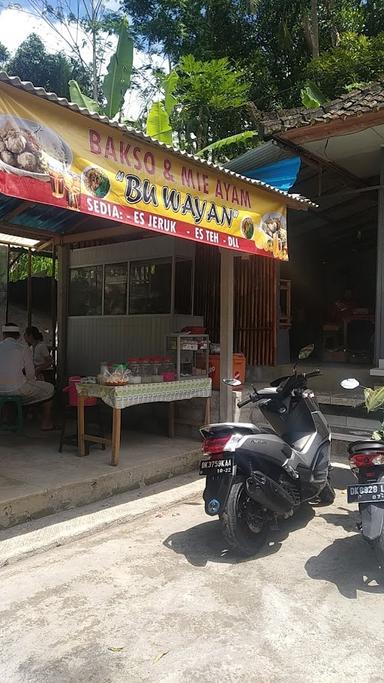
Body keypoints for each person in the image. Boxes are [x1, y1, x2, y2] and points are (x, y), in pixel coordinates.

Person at [0, 323, 54, 430]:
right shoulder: (23, 348)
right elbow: (30, 373)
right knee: (50, 389)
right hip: (17, 389)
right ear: (18, 336)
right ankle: (46, 423)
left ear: (3, 335)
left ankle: (6, 417)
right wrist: (30, 381)